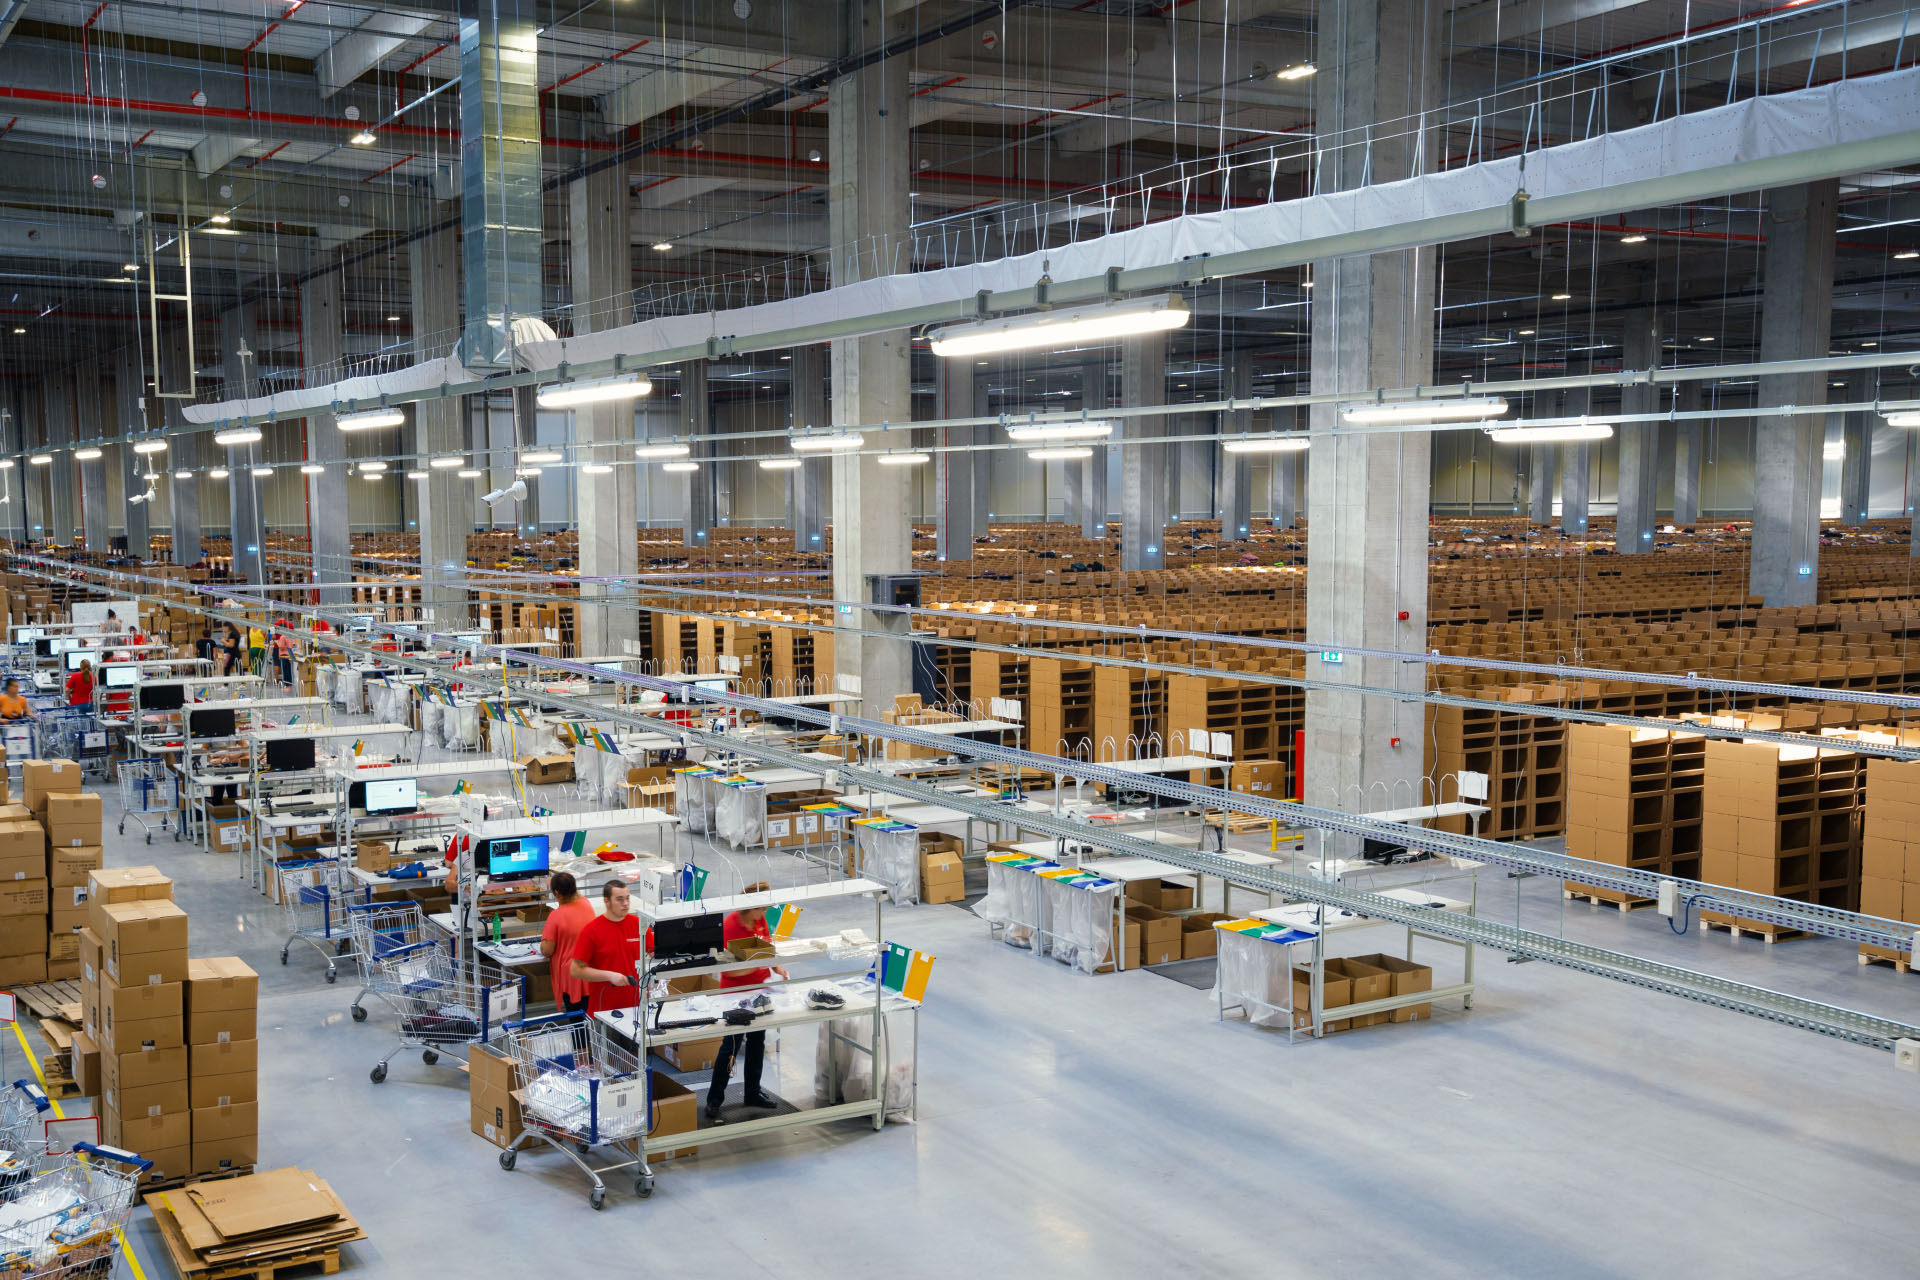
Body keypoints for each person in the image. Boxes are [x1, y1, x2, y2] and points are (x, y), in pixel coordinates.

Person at [705, 880, 786, 1122]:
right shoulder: (731, 926)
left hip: (759, 992)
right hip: (735, 995)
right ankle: (714, 1099)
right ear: (750, 907)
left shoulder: (759, 920)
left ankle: (753, 1092)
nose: (764, 914)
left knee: (757, 1042)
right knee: (730, 1046)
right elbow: (728, 971)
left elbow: (767, 948)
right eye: (762, 909)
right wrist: (756, 966)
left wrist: (777, 968)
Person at [569, 881, 641, 1017]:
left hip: (637, 1008)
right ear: (606, 901)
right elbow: (575, 970)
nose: (625, 903)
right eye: (619, 899)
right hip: (604, 1011)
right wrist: (609, 976)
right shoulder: (591, 931)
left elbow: (655, 954)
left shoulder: (638, 925)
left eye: (627, 898)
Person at [540, 873, 596, 1015]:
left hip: (571, 976)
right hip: (589, 971)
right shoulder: (586, 904)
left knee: (576, 1020)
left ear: (557, 893)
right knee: (588, 1015)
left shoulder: (556, 916)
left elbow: (547, 950)